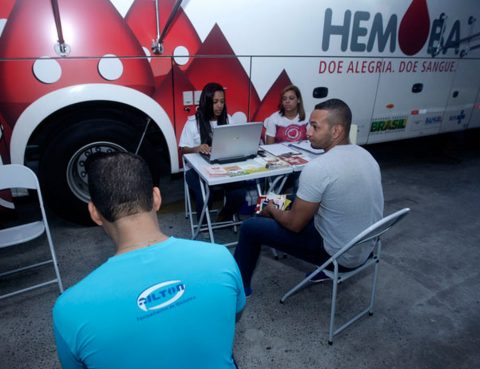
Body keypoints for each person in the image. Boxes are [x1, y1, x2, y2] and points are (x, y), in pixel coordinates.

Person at [53, 152, 245, 369]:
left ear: (94, 213)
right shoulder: (220, 258)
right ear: (156, 198)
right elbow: (233, 315)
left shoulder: (69, 309)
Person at [234, 99, 384, 295]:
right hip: (364, 249)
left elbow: (295, 224)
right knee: (292, 197)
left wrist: (272, 210)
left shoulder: (318, 168)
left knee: (250, 228)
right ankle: (264, 204)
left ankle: (238, 291)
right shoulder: (366, 155)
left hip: (337, 256)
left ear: (336, 131)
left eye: (315, 127)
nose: (308, 132)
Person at [179, 82, 246, 222]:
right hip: (196, 171)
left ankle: (223, 216)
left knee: (240, 193)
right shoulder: (193, 123)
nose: (219, 105)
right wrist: (197, 148)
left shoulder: (228, 119)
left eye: (222, 101)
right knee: (205, 195)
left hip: (224, 166)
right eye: (215, 102)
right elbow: (183, 150)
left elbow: (236, 141)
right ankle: (203, 225)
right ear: (206, 101)